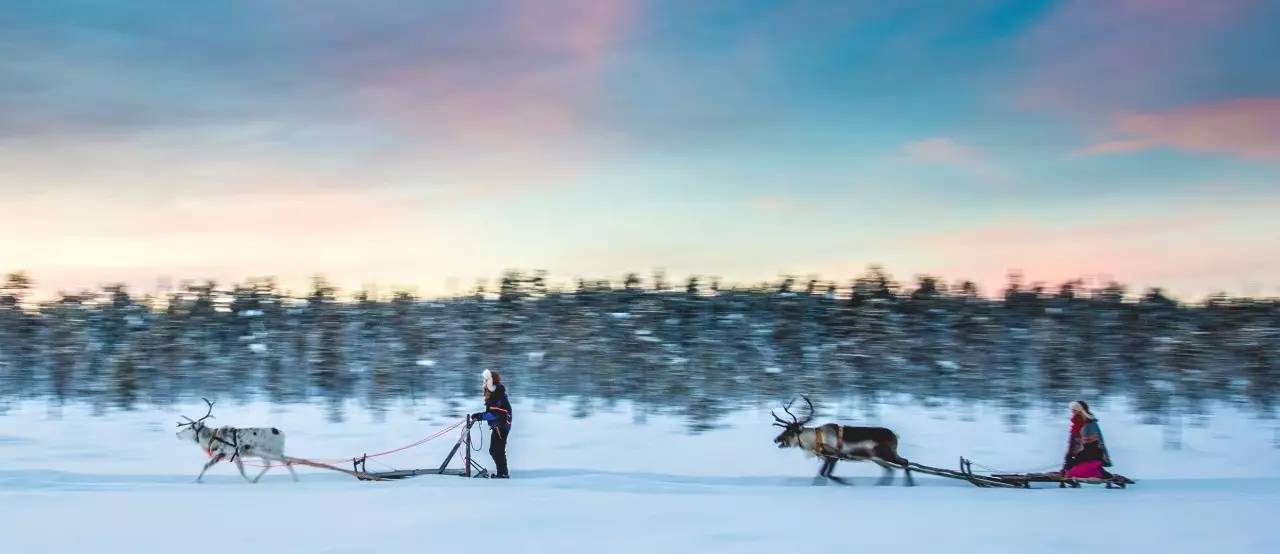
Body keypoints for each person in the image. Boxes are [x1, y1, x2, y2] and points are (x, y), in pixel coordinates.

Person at [470, 369, 512, 479]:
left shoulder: (497, 394)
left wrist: (481, 416)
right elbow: (493, 412)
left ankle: (503, 474)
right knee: (495, 450)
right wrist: (480, 416)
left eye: (486, 380)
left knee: (496, 450)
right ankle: (502, 472)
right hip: (498, 426)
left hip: (502, 426)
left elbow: (495, 414)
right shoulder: (495, 393)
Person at [1061, 400, 1113, 479]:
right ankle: (1091, 469)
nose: (1072, 412)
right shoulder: (1076, 424)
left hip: (1092, 457)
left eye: (1075, 410)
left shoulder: (1090, 424)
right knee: (1067, 473)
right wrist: (1068, 460)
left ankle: (1100, 472)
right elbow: (1072, 445)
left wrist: (1076, 460)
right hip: (1081, 458)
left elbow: (1093, 447)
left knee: (1073, 474)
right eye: (1072, 410)